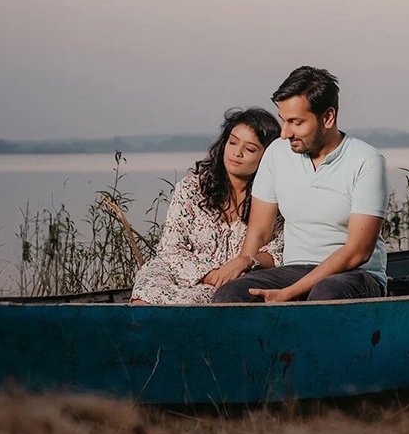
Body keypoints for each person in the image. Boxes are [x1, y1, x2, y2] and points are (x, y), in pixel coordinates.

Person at [211, 66, 389, 303]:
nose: (285, 133)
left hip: (354, 275)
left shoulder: (367, 161)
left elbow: (358, 251)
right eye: (283, 121)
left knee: (325, 293)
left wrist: (289, 293)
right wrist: (242, 266)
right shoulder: (276, 153)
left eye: (296, 122)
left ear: (327, 117)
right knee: (230, 294)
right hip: (294, 269)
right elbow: (259, 232)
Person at [130, 107, 283, 305]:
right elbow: (171, 249)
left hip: (225, 286)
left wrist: (244, 263)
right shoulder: (191, 188)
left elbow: (278, 253)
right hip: (175, 271)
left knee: (192, 302)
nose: (237, 153)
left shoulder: (271, 202)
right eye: (233, 142)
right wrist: (212, 275)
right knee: (146, 291)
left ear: (267, 157)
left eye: (250, 149)